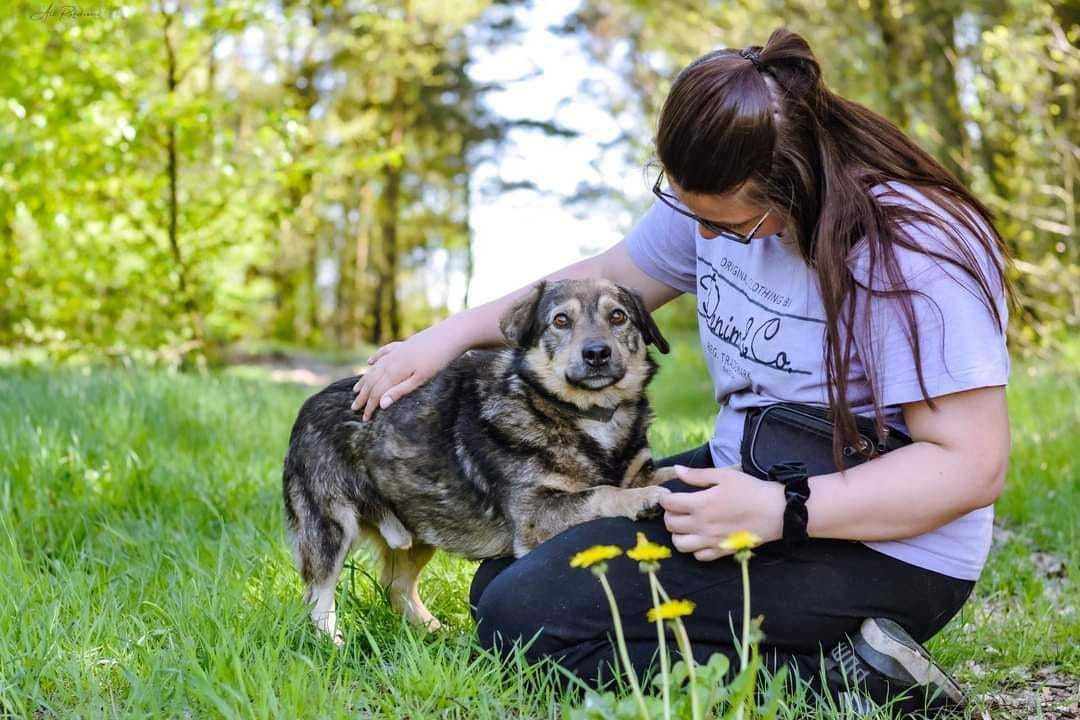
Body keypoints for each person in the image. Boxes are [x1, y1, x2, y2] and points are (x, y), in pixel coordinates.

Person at [351, 28, 1011, 715]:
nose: (700, 241)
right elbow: (600, 279)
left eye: (727, 228)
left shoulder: (914, 247)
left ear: (797, 182)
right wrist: (448, 337)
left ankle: (860, 678)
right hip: (754, 479)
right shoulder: (716, 197)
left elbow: (971, 466)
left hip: (885, 547)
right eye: (688, 212)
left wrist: (779, 513)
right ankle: (832, 653)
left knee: (528, 624)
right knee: (503, 580)